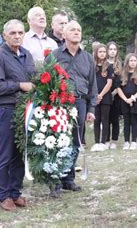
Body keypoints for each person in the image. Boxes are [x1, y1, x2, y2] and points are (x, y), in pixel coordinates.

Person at [0, 19, 35, 211]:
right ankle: (4, 195)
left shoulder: (26, 54)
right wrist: (19, 86)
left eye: (20, 33)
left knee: (19, 154)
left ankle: (15, 192)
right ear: (5, 35)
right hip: (6, 110)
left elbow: (33, 78)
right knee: (5, 154)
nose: (17, 36)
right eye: (13, 33)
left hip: (25, 110)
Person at [48, 21, 97, 192]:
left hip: (80, 102)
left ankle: (68, 179)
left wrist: (91, 109)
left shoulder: (88, 57)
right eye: (72, 30)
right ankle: (55, 180)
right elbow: (46, 81)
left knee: (76, 141)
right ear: (64, 35)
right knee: (57, 142)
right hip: (59, 104)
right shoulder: (54, 56)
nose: (76, 32)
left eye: (79, 30)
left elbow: (93, 84)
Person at [116, 54, 137, 150]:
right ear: (127, 62)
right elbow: (118, 88)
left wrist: (133, 98)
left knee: (134, 121)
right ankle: (126, 142)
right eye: (131, 61)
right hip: (124, 101)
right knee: (126, 122)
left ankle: (134, 141)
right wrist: (125, 99)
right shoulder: (122, 74)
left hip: (135, 101)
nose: (133, 63)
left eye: (135, 61)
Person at [91, 44, 114, 152]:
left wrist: (101, 95)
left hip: (105, 98)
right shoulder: (92, 66)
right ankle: (96, 142)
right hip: (94, 97)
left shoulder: (109, 66)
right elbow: (91, 81)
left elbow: (109, 83)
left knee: (105, 120)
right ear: (96, 53)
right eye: (100, 52)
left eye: (104, 52)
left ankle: (104, 142)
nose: (102, 54)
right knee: (97, 120)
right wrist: (96, 95)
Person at [106, 42, 122, 150]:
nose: (112, 51)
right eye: (110, 49)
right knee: (106, 118)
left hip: (117, 95)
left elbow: (122, 80)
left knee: (115, 119)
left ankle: (114, 141)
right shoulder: (103, 64)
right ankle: (106, 140)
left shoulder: (120, 64)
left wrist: (116, 91)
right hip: (105, 94)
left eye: (114, 49)